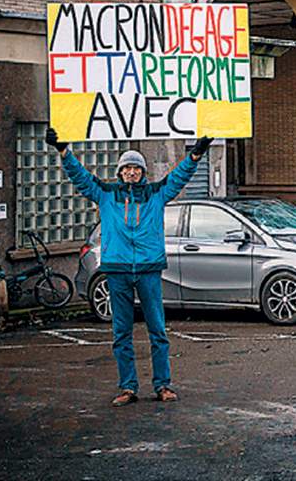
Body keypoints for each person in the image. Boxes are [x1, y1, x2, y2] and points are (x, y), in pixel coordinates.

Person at [45, 127, 213, 406]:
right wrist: (63, 151)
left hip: (148, 268)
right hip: (117, 270)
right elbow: (81, 177)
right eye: (127, 168)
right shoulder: (106, 194)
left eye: (136, 168)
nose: (131, 172)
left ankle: (162, 385)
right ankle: (128, 387)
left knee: (157, 330)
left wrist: (196, 154)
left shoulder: (156, 193)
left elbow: (179, 176)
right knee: (121, 332)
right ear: (120, 172)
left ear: (143, 172)